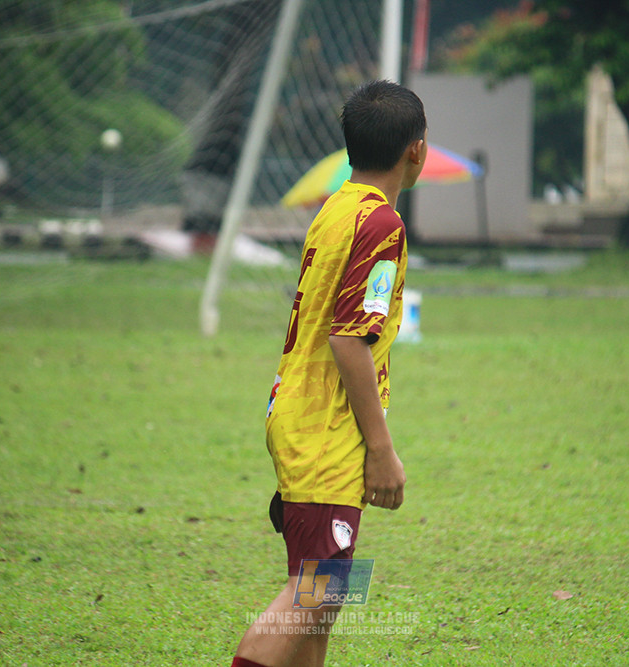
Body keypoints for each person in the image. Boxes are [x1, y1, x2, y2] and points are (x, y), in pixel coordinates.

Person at [230, 80, 428, 667]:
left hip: (296, 410)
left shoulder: (337, 207)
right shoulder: (382, 227)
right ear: (415, 150)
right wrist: (382, 449)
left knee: (323, 594)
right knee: (316, 589)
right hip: (325, 426)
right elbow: (349, 341)